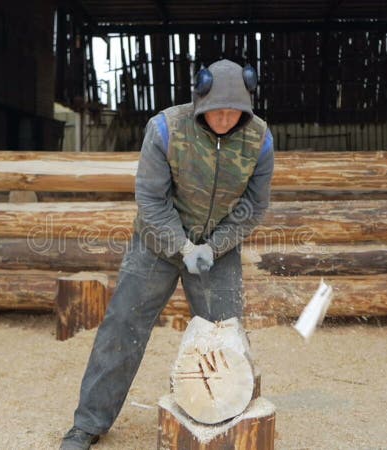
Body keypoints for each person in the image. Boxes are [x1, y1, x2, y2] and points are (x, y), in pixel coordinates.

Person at [60, 58, 274, 450]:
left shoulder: (260, 138)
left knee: (226, 338)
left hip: (216, 250)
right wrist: (183, 246)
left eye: (234, 112)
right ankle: (88, 423)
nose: (225, 119)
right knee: (122, 327)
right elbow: (151, 201)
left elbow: (252, 206)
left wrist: (214, 245)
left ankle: (226, 422)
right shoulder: (165, 128)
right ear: (200, 101)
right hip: (156, 245)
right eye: (217, 111)